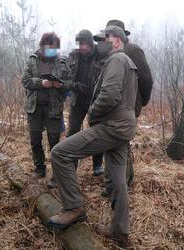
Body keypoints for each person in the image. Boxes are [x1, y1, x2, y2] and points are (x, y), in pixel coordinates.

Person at [47, 26, 138, 248]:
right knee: (117, 179)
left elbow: (108, 95)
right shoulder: (127, 62)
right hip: (122, 125)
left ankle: (74, 208)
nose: (100, 44)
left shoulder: (117, 60)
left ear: (116, 41)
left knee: (60, 153)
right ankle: (120, 233)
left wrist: (92, 112)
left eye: (104, 39)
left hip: (111, 125)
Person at [96, 20, 153, 197]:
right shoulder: (108, 53)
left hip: (126, 105)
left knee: (121, 142)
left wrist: (139, 102)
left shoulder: (133, 50)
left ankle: (123, 183)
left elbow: (146, 80)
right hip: (111, 105)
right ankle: (113, 182)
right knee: (112, 141)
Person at [22, 32, 71, 188]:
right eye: (49, 48)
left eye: (55, 48)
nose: (52, 51)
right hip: (34, 108)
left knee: (55, 143)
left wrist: (61, 85)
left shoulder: (63, 62)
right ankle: (39, 169)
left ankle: (57, 175)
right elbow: (25, 81)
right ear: (42, 46)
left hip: (54, 108)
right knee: (35, 140)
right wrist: (40, 83)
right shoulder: (32, 60)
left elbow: (70, 83)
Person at [67, 29, 105, 176]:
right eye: (79, 44)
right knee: (72, 132)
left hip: (96, 101)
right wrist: (74, 85)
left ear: (90, 43)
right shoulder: (73, 56)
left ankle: (97, 166)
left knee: (97, 132)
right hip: (77, 101)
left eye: (84, 44)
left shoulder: (101, 56)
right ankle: (71, 166)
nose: (82, 47)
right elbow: (66, 78)